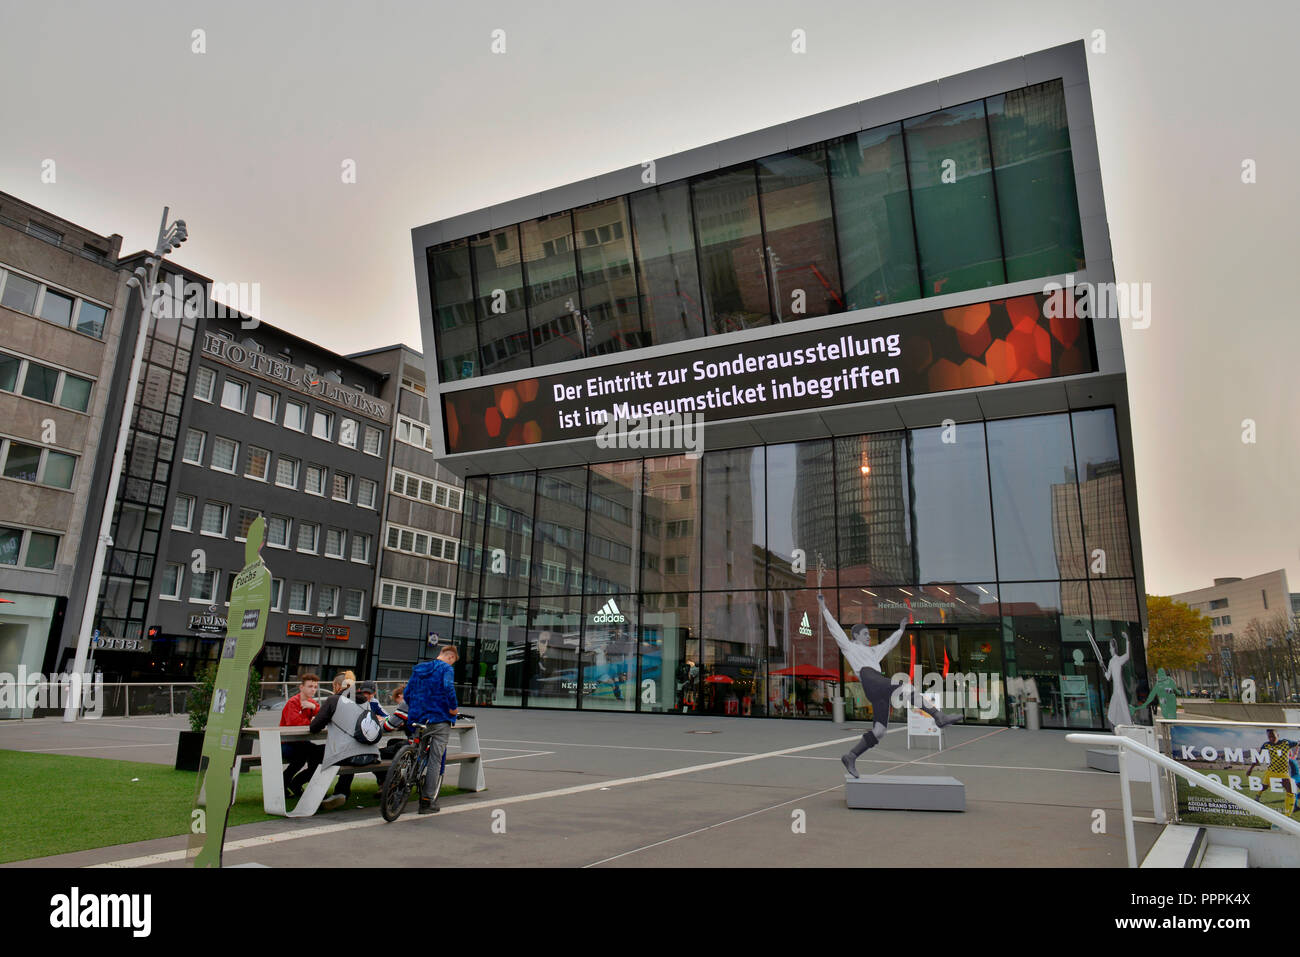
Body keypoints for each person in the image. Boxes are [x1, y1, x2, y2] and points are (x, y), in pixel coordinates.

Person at [816, 594, 961, 778]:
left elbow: (888, 644)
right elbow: (835, 628)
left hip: (877, 688)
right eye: (866, 634)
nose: (869, 636)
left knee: (880, 731)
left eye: (869, 634)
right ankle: (938, 717)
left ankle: (851, 756)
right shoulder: (850, 647)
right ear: (855, 636)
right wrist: (823, 607)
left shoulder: (874, 651)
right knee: (906, 688)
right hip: (870, 679)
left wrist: (900, 631)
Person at [310, 672, 382, 811]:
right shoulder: (365, 703)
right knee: (350, 750)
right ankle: (341, 791)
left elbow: (314, 728)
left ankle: (318, 794)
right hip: (370, 755)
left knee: (314, 753)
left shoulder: (333, 700)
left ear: (337, 686)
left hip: (350, 755)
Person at [403, 644, 460, 814]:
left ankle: (405, 776)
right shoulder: (446, 669)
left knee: (417, 750)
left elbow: (407, 694)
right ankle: (427, 800)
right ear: (450, 657)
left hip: (417, 717)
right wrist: (453, 709)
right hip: (438, 718)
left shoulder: (419, 668)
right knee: (435, 758)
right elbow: (448, 687)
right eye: (453, 661)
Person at [279, 673, 322, 799]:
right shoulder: (292, 703)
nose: (313, 689)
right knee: (305, 756)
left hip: (301, 742)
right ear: (301, 687)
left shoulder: (312, 703)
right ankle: (287, 785)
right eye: (310, 686)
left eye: (315, 687)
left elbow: (323, 717)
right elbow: (294, 724)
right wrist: (312, 721)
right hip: (287, 743)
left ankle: (296, 783)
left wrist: (314, 707)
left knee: (317, 755)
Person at [1245, 728, 1300, 816]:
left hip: (1283, 773)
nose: (1271, 738)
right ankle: (1257, 796)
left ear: (1278, 735)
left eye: (1273, 736)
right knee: (1265, 786)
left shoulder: (1286, 742)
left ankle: (1287, 816)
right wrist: (1250, 769)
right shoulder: (1266, 745)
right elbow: (1258, 758)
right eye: (1269, 737)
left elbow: (1298, 744)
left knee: (1291, 792)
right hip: (1271, 771)